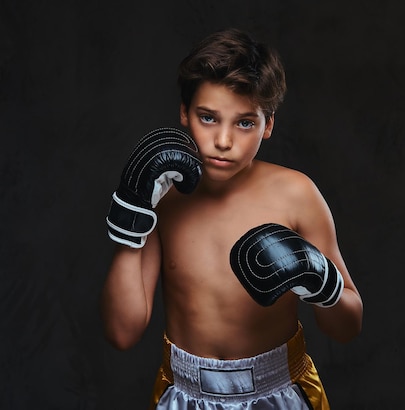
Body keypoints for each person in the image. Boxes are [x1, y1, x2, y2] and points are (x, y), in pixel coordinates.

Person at [101, 28, 363, 410]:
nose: (224, 140)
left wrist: (322, 282)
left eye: (244, 123)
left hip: (280, 391)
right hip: (184, 395)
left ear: (268, 124)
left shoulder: (297, 194)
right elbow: (122, 333)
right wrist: (131, 216)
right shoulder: (164, 197)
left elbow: (348, 327)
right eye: (208, 118)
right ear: (184, 114)